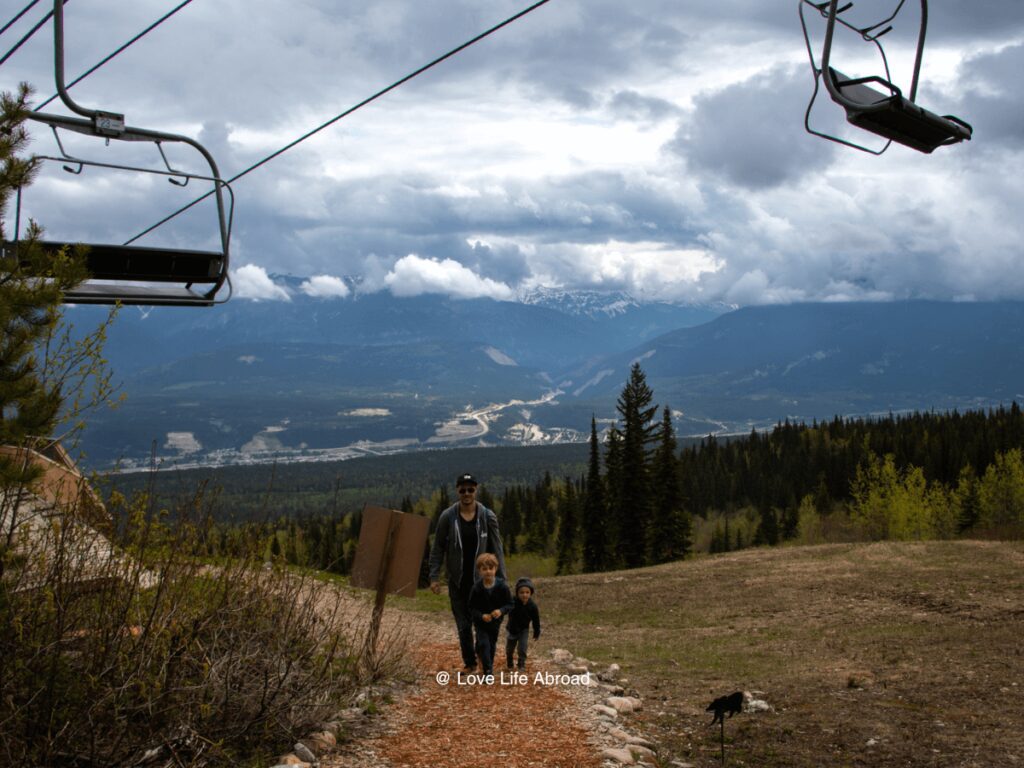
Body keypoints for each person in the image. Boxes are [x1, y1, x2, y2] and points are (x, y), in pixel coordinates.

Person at [429, 472, 507, 671]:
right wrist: (434, 576)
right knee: (463, 626)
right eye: (462, 489)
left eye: (470, 489)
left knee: (483, 624)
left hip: (482, 584)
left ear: (476, 490)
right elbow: (437, 547)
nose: (466, 493)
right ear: (457, 491)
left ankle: (485, 661)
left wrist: (502, 579)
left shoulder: (487, 516)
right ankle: (470, 663)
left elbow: (497, 549)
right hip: (457, 582)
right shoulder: (448, 517)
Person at [467, 553, 513, 676]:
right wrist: (481, 616)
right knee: (483, 643)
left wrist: (501, 611)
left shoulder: (502, 587)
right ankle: (488, 672)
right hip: (481, 622)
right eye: (484, 569)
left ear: (496, 569)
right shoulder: (476, 588)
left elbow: (510, 604)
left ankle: (487, 664)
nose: (488, 572)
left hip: (495, 623)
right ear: (479, 571)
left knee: (491, 645)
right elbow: (471, 607)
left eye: (490, 568)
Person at [505, 576, 541, 671]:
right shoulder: (512, 602)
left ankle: (521, 664)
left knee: (522, 648)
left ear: (530, 593)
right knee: (509, 649)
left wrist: (536, 632)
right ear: (517, 593)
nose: (524, 595)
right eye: (521, 592)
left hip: (523, 630)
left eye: (527, 592)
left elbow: (536, 620)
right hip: (512, 629)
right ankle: (509, 662)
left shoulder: (532, 606)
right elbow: (505, 608)